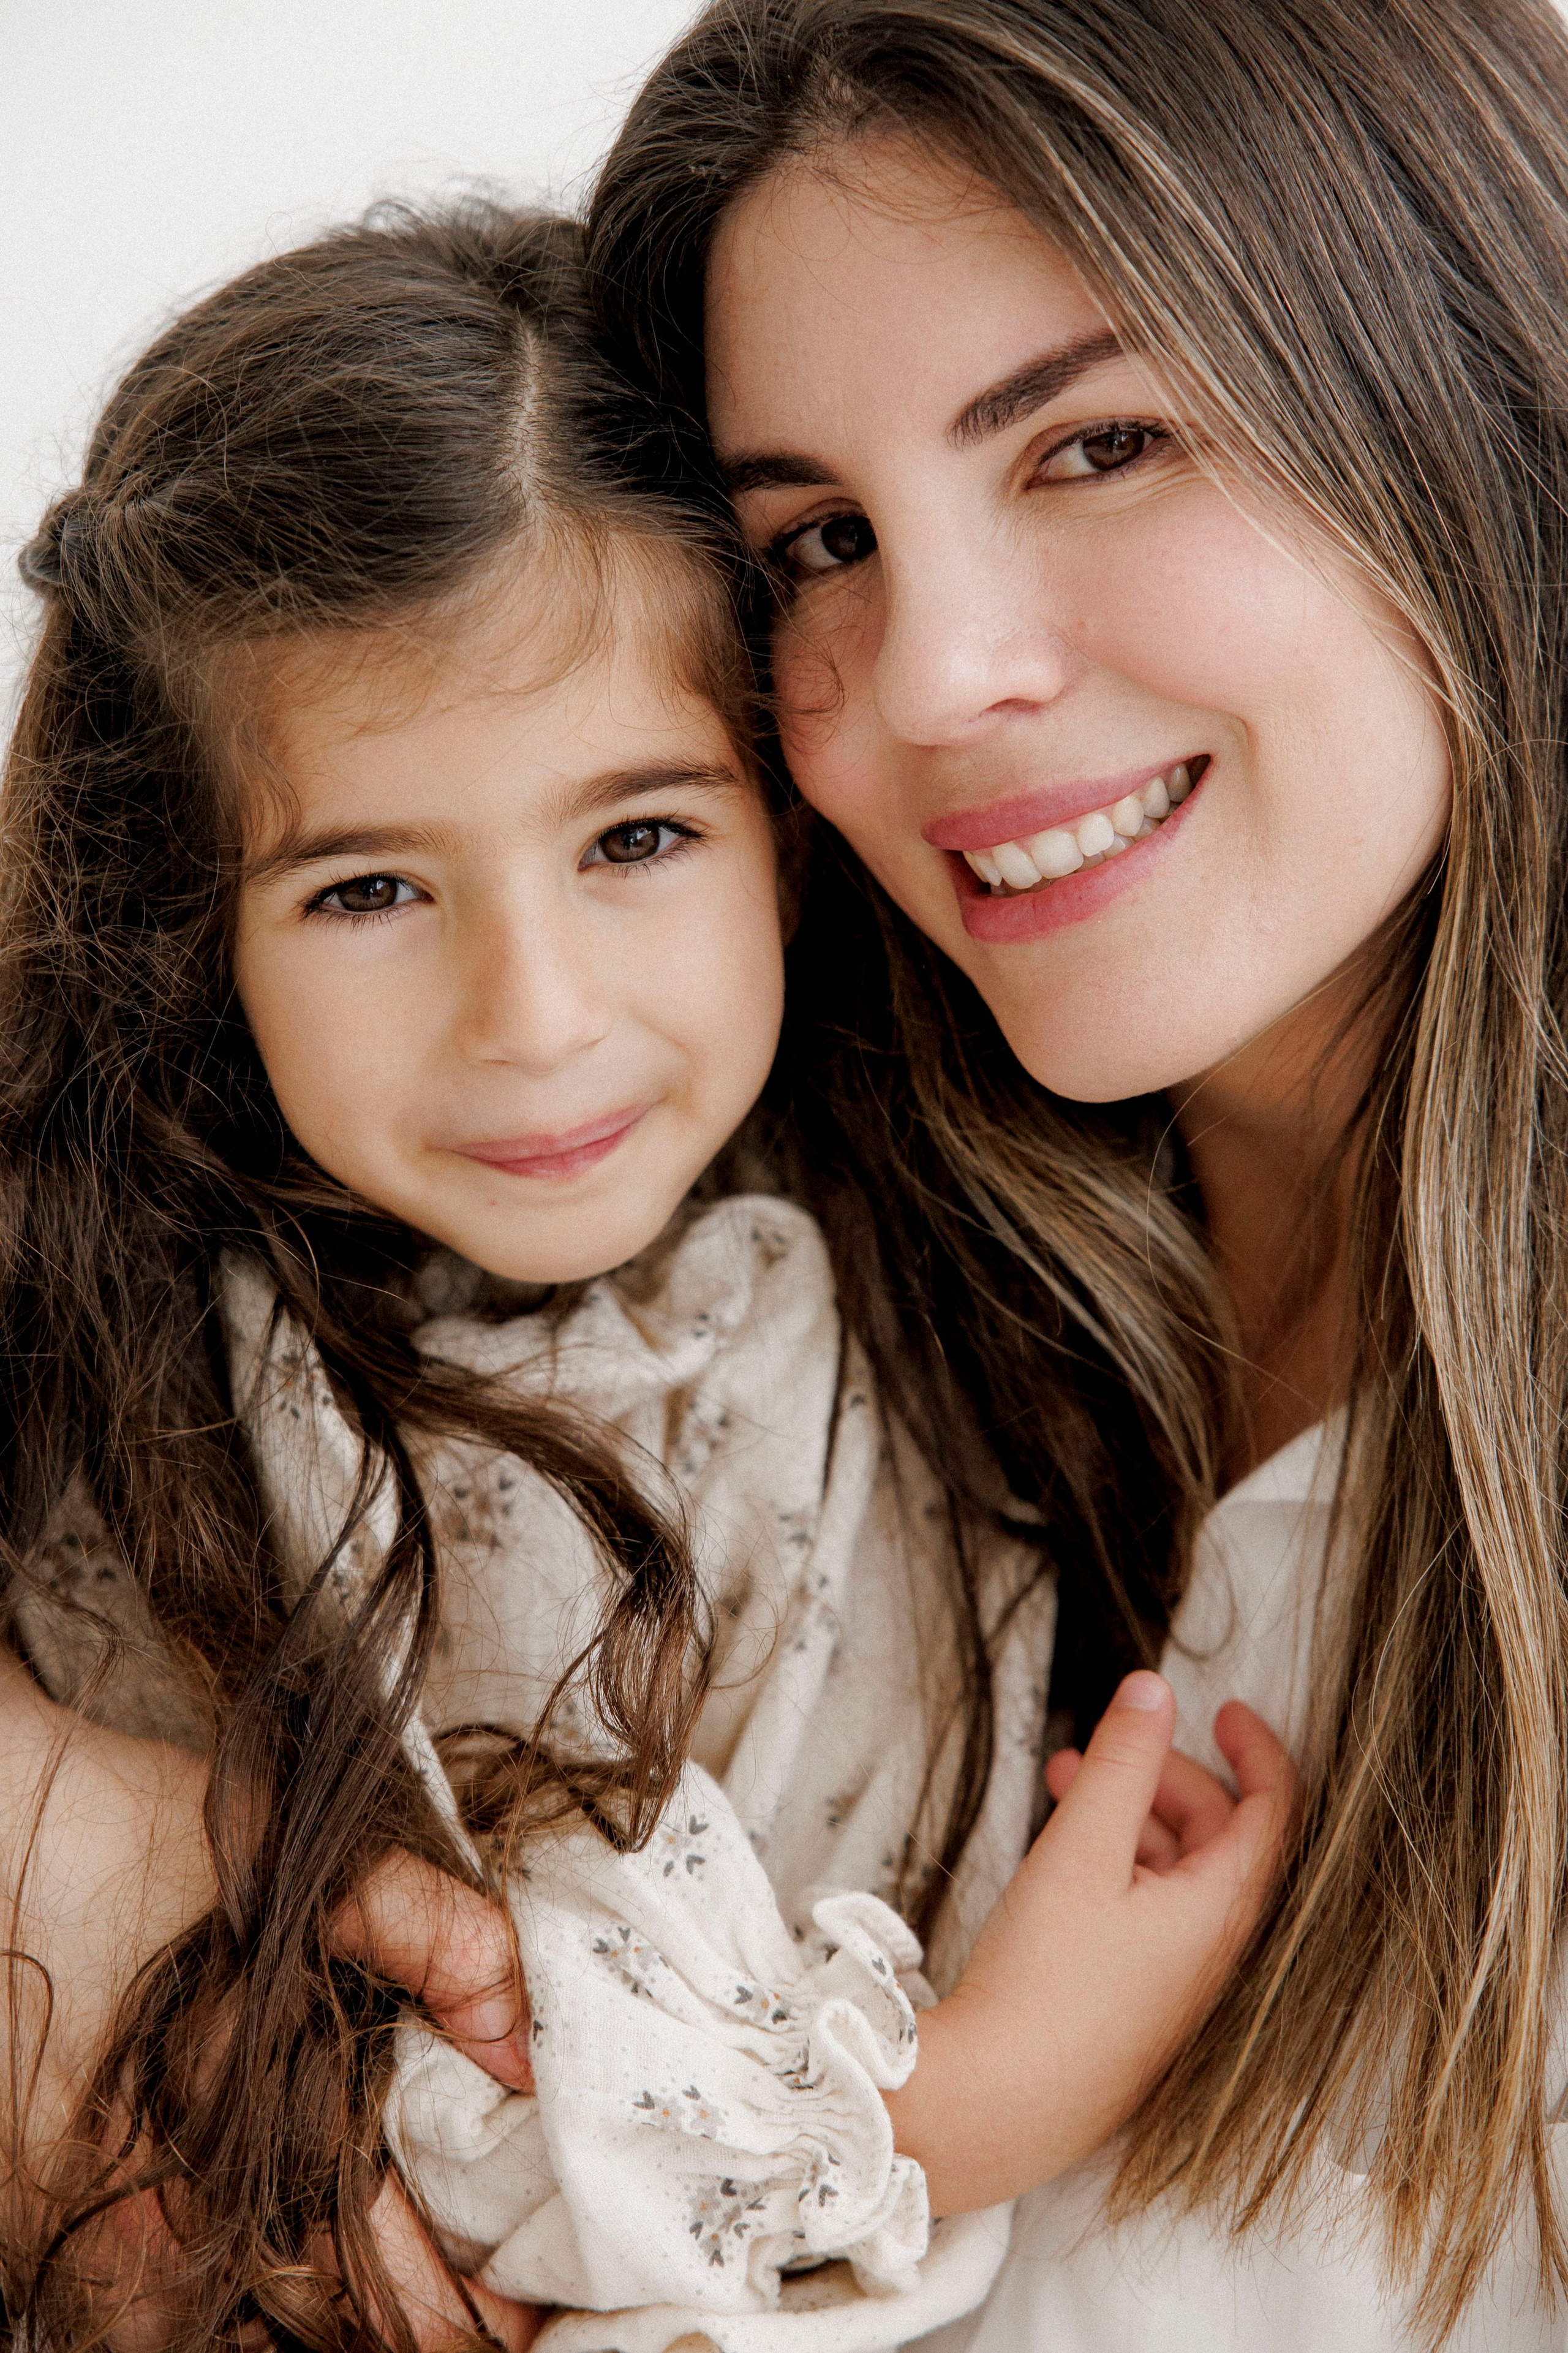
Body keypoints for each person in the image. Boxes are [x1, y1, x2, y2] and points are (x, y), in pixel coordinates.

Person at [0, 202, 1287, 2351]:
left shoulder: (924, 1257)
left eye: (634, 840)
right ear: (195, 919)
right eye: (373, 884)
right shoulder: (237, 1396)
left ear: (783, 823)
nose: (534, 1011)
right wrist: (965, 2099)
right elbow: (413, 2163)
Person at [585, 0, 1568, 2344]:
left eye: (1099, 442)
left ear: (1474, 405)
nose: (925, 676)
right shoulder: (741, 1297)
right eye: (818, 538)